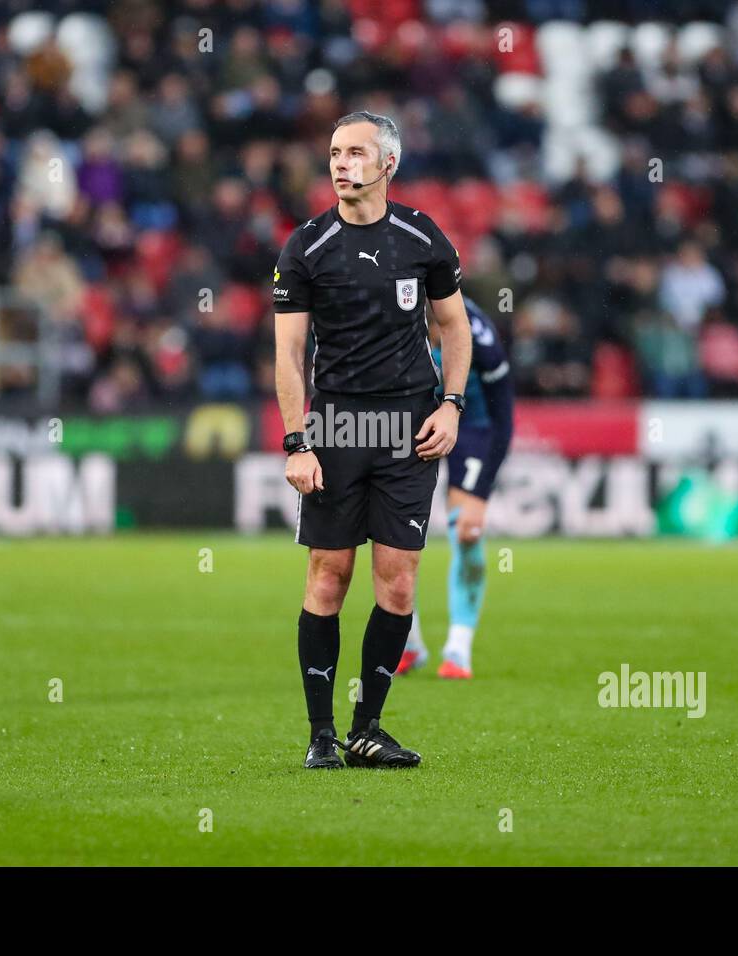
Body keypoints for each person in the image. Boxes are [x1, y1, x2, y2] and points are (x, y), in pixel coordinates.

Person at [273, 111, 472, 769]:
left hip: (408, 428)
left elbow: (455, 328)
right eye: (334, 152)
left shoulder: (422, 237)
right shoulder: (306, 246)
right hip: (335, 430)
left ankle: (368, 728)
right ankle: (321, 735)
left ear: (388, 163)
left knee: (399, 582)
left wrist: (452, 405)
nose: (340, 163)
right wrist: (297, 441)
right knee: (329, 576)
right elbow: (289, 352)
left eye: (356, 152)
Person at [399, 295, 513, 679]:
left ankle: (459, 648)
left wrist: (482, 492)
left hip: (472, 428)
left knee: (467, 531)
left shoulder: (477, 332)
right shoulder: (391, 311)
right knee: (391, 534)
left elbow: (504, 411)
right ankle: (408, 642)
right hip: (409, 426)